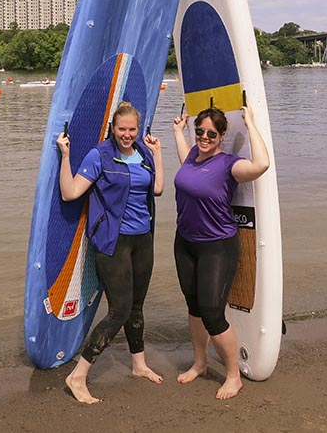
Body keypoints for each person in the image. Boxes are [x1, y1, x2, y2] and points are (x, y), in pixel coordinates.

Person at [56, 101, 165, 404]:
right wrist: (65, 156)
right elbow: (70, 192)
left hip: (143, 240)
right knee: (119, 310)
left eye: (132, 129)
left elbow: (157, 190)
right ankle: (77, 376)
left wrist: (158, 153)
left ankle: (139, 365)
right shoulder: (99, 155)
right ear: (113, 128)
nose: (127, 134)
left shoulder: (143, 153)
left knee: (137, 306)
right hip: (112, 242)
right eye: (122, 129)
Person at [171, 105, 270, 400]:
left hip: (217, 246)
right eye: (199, 131)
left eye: (210, 133)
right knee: (194, 306)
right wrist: (178, 130)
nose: (203, 137)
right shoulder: (191, 156)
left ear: (221, 136)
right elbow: (184, 161)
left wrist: (250, 124)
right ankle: (200, 364)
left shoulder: (229, 165)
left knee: (213, 314)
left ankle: (233, 376)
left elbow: (261, 165)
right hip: (185, 242)